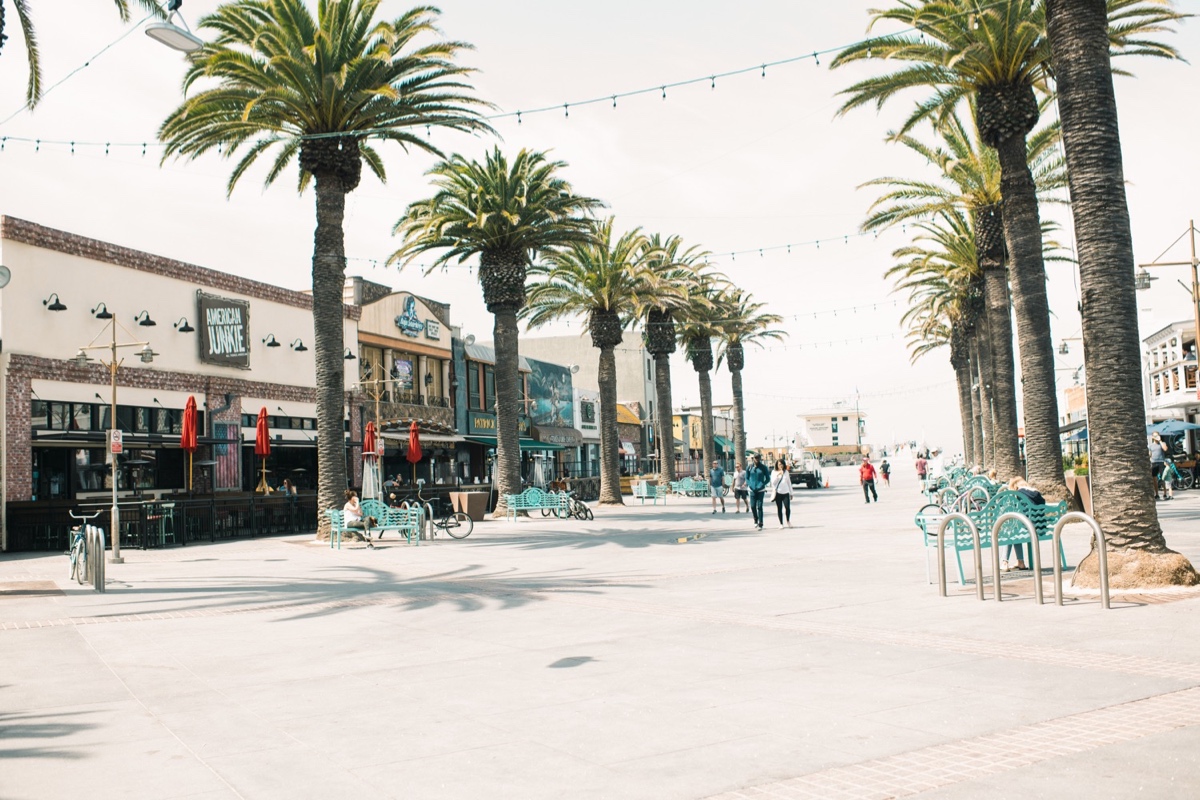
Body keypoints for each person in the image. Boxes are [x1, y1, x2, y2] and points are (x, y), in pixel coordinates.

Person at [1002, 477, 1045, 570]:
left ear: (1015, 486)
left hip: (1029, 528)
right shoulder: (1037, 494)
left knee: (1011, 532)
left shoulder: (1019, 494)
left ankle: (1004, 562)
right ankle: (1020, 562)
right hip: (1041, 528)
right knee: (1015, 531)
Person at [745, 454, 771, 531]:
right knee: (753, 506)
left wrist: (762, 484)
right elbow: (747, 478)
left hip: (760, 490)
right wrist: (750, 485)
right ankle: (755, 520)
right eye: (755, 458)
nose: (757, 459)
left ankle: (761, 522)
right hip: (752, 489)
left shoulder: (763, 467)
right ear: (753, 459)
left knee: (759, 506)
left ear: (760, 458)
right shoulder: (749, 467)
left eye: (758, 458)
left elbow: (768, 478)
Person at [769, 459, 792, 528]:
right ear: (776, 465)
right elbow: (773, 483)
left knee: (787, 507)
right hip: (778, 492)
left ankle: (788, 520)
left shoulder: (786, 472)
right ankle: (781, 523)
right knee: (779, 508)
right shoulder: (774, 472)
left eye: (782, 464)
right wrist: (778, 475)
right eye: (779, 464)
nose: (780, 466)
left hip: (786, 492)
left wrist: (791, 493)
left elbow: (789, 483)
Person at [1150, 432, 1170, 500]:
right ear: (1152, 437)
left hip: (1161, 462)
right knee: (1154, 479)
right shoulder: (1151, 445)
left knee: (1163, 478)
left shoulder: (1162, 443)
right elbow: (1150, 454)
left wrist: (1160, 441)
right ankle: (1157, 494)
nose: (1156, 437)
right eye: (1155, 436)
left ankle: (1165, 493)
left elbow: (1165, 449)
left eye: (1157, 435)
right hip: (1154, 462)